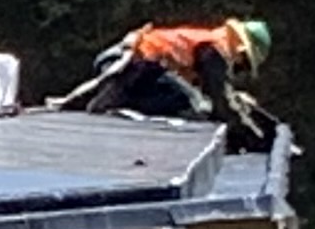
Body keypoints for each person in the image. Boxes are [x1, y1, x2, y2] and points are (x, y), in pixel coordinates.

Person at [53, 17, 275, 150]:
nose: (238, 71)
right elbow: (221, 102)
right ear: (241, 52)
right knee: (195, 107)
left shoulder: (208, 44)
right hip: (136, 69)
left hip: (129, 65)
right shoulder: (215, 51)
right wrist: (255, 138)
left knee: (191, 101)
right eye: (243, 65)